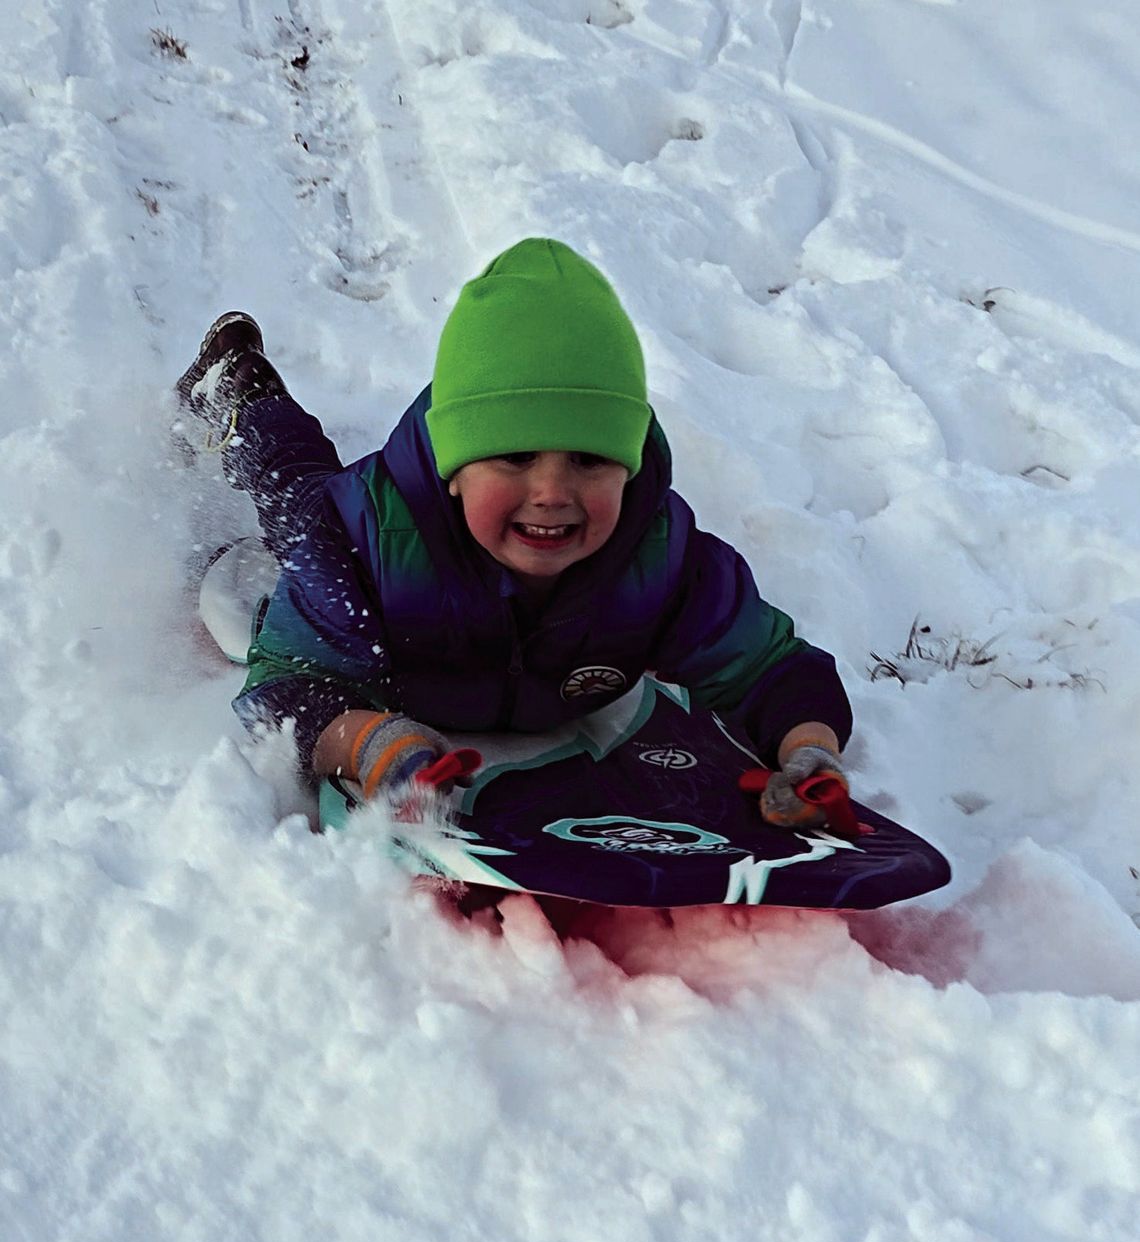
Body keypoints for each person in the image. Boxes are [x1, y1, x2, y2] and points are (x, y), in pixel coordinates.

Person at [176, 238, 853, 830]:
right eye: (515, 456)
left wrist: (809, 750)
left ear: (628, 468)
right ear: (455, 469)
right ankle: (243, 394)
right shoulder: (360, 544)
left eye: (589, 460)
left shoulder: (658, 557)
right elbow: (288, 687)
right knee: (298, 490)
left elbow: (770, 666)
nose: (553, 491)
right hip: (359, 533)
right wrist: (369, 742)